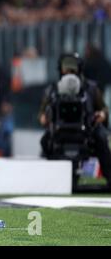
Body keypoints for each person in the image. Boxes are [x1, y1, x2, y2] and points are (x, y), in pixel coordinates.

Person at [39, 53, 111, 189]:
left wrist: (101, 114)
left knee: (101, 139)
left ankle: (110, 177)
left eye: (73, 69)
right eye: (66, 69)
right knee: (45, 142)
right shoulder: (52, 90)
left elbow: (104, 108)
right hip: (60, 128)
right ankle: (47, 178)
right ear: (61, 69)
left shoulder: (91, 88)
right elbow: (42, 112)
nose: (69, 72)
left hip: (87, 127)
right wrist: (44, 117)